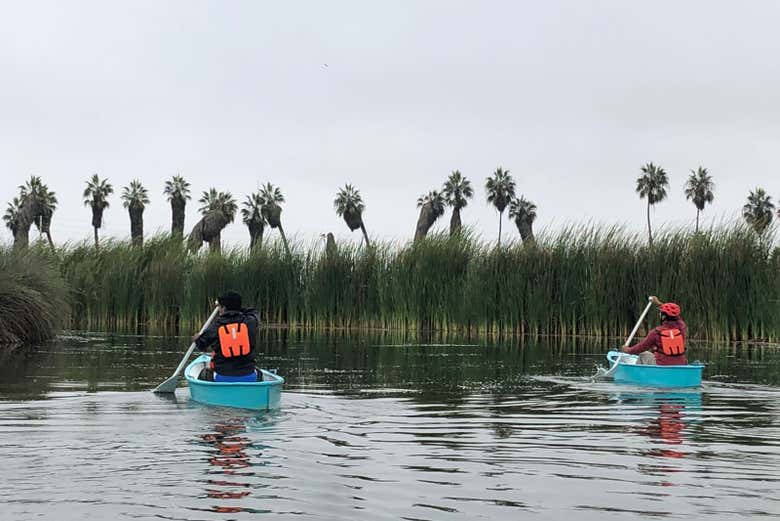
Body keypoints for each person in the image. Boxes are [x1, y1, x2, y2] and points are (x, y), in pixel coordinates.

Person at [193, 291, 260, 381]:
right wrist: (236, 307)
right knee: (259, 373)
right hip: (248, 375)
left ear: (223, 308)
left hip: (222, 376)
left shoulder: (216, 326)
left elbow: (201, 345)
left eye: (220, 307)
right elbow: (253, 312)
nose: (219, 309)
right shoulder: (250, 322)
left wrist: (197, 339)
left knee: (203, 374)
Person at [622, 296, 688, 366]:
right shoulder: (681, 327)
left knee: (643, 354)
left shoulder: (656, 332)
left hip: (662, 365)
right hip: (681, 364)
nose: (659, 314)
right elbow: (675, 315)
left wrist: (628, 350)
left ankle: (639, 375)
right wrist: (659, 303)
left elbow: (642, 347)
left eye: (660, 313)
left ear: (663, 317)